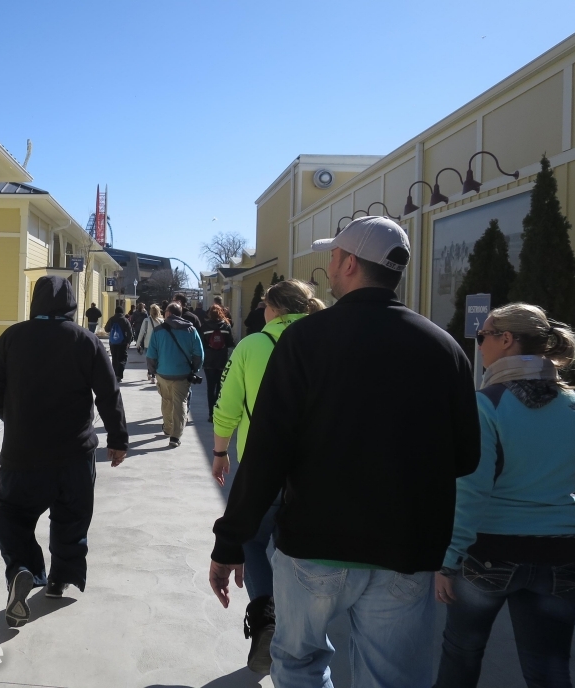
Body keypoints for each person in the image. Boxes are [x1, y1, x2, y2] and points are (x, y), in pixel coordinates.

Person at [209, 215, 481, 688]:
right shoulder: (444, 349)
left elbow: (268, 452)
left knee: (298, 665)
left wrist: (231, 540)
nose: (329, 266)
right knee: (393, 678)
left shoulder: (304, 341)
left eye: (333, 256)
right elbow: (466, 457)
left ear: (351, 263)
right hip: (406, 552)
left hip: (316, 547)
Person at [433, 303, 575, 688]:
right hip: (562, 555)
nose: (479, 344)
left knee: (461, 656)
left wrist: (448, 562)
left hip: (491, 554)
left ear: (507, 340)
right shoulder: (574, 405)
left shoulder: (487, 404)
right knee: (549, 671)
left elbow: (470, 492)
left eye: (483, 336)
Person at [0, 276, 128, 627]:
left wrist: (11, 415)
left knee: (12, 514)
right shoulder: (86, 340)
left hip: (22, 452)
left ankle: (22, 568)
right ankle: (61, 578)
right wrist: (118, 439)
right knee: (72, 517)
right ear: (72, 305)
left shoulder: (13, 337)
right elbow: (109, 392)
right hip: (74, 454)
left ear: (35, 301)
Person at [210, 280, 324, 673]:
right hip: (314, 470)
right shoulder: (323, 342)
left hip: (260, 464)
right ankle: (302, 629)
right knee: (301, 550)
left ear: (273, 309)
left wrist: (220, 452)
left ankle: (266, 619)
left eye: (263, 304)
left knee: (253, 542)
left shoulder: (252, 346)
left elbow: (226, 406)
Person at [145, 302, 203, 448]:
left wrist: (153, 371)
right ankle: (175, 436)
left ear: (168, 314)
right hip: (182, 374)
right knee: (180, 403)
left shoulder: (158, 331)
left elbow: (151, 355)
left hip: (163, 374)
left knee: (166, 400)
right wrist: (194, 369)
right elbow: (199, 355)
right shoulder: (191, 330)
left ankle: (168, 427)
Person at [200, 304, 235, 422]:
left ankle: (211, 414)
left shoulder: (204, 327)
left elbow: (202, 345)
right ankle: (218, 411)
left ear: (209, 313)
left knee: (210, 387)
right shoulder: (226, 326)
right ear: (221, 313)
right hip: (222, 360)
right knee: (220, 387)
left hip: (209, 361)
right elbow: (230, 343)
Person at [104, 305, 133, 381]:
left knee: (114, 358)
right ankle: (119, 375)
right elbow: (130, 333)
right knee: (122, 358)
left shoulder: (111, 319)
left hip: (113, 342)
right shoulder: (125, 320)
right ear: (122, 312)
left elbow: (106, 329)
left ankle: (114, 374)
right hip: (122, 343)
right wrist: (128, 342)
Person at [137, 304, 163, 384]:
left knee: (149, 360)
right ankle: (154, 375)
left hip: (148, 344)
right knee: (157, 360)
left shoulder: (146, 321)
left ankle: (151, 374)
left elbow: (141, 333)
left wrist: (138, 344)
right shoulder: (161, 321)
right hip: (159, 344)